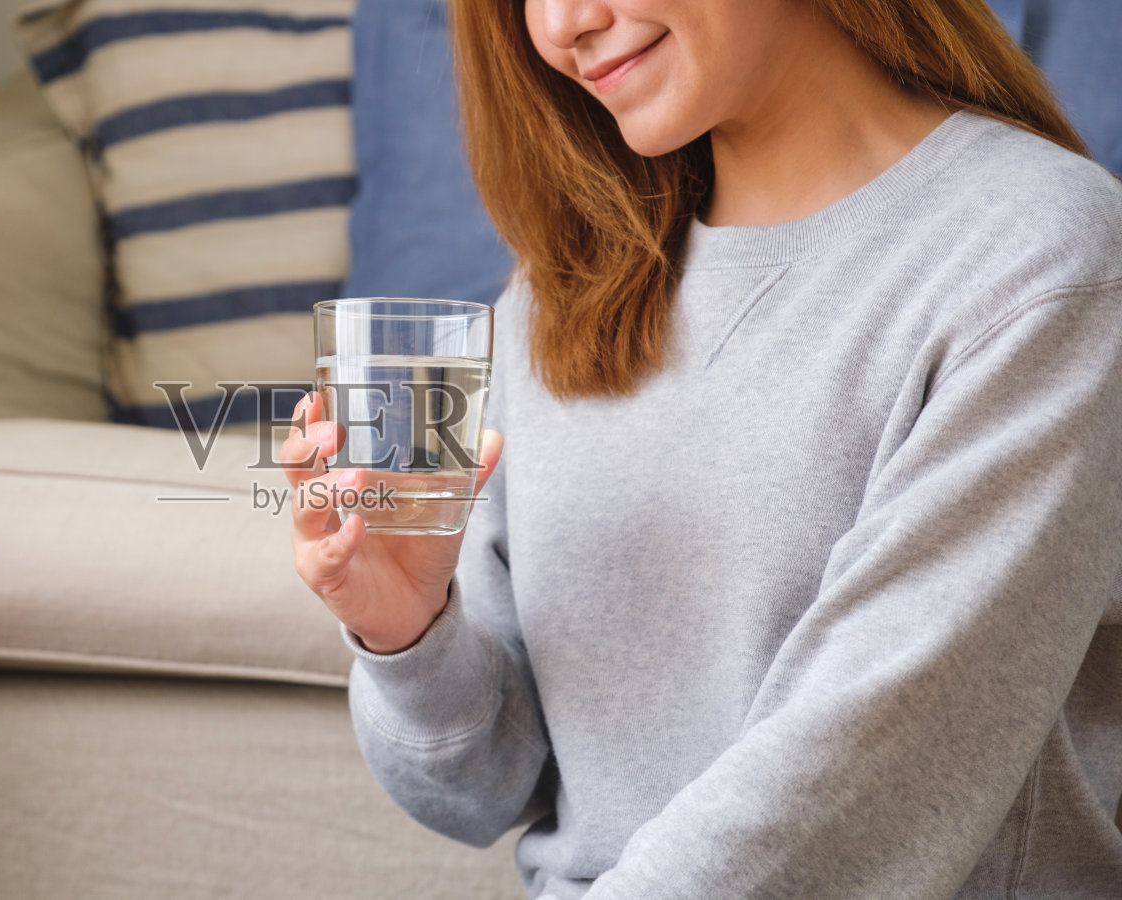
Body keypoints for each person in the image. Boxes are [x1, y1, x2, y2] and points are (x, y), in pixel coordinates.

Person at [281, 1, 1122, 897]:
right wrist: (408, 633)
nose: (567, 22)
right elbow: (479, 792)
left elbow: (860, 787)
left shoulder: (1042, 259)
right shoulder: (562, 293)